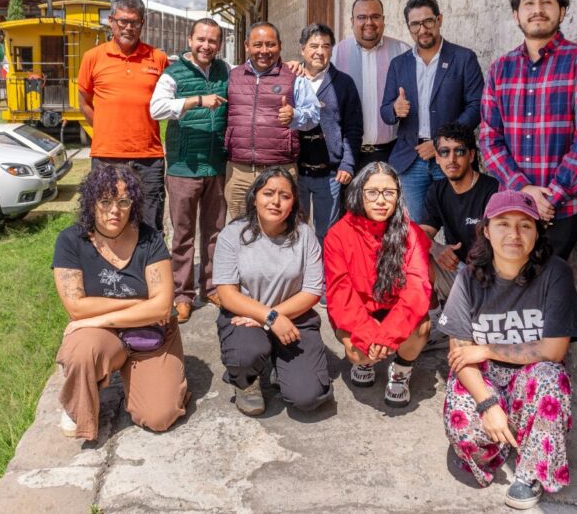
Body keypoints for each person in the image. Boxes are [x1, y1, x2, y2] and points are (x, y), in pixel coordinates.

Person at [438, 189, 577, 509]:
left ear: (537, 233)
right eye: (503, 224)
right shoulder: (468, 278)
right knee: (464, 430)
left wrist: (487, 349)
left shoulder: (555, 273)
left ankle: (531, 469)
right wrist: (488, 404)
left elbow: (553, 351)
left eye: (525, 225)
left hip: (531, 376)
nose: (514, 234)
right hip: (485, 376)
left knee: (551, 378)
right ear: (486, 231)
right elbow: (461, 355)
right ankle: (512, 436)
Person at [52, 164, 187, 441]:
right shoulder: (71, 240)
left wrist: (99, 317)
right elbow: (76, 307)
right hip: (103, 333)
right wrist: (141, 303)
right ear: (91, 202)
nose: (115, 210)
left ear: (133, 204)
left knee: (159, 416)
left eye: (124, 202)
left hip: (150, 332)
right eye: (105, 201)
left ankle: (150, 379)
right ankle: (79, 400)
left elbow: (163, 307)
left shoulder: (150, 239)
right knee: (82, 348)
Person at [479, 0, 577, 259]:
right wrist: (523, 189)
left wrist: (552, 196)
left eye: (546, 2)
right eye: (528, 3)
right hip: (514, 202)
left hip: (562, 207)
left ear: (561, 12)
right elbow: (489, 139)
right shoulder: (500, 68)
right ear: (516, 15)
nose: (537, 9)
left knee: (547, 276)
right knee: (511, 274)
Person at [213, 167, 333, 416]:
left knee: (308, 397)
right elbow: (227, 294)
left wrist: (274, 317)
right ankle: (246, 382)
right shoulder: (232, 234)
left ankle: (282, 365)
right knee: (246, 354)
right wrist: (269, 317)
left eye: (284, 196)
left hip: (294, 318)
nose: (275, 201)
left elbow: (312, 291)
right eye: (268, 193)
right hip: (245, 317)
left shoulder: (305, 235)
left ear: (293, 203)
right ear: (254, 197)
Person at [323, 162, 433, 407]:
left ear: (398, 196)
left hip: (395, 312)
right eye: (372, 192)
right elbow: (341, 294)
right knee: (358, 353)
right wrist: (369, 336)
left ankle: (401, 369)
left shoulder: (412, 233)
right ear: (358, 193)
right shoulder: (338, 235)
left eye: (389, 192)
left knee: (422, 327)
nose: (381, 200)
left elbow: (417, 290)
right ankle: (366, 363)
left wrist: (387, 336)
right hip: (360, 314)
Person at [149, 18, 230, 323]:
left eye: (212, 41)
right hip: (184, 167)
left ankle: (211, 286)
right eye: (201, 40)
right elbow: (156, 109)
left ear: (219, 44)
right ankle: (183, 294)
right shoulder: (174, 74)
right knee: (183, 234)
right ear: (190, 40)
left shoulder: (225, 70)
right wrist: (196, 101)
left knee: (215, 232)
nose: (206, 46)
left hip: (216, 164)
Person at [380, 0, 484, 224]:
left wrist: (440, 142)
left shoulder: (463, 58)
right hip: (411, 159)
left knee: (458, 223)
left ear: (439, 20)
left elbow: (477, 106)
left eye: (428, 21)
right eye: (415, 24)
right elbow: (385, 111)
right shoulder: (399, 64)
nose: (422, 29)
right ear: (409, 27)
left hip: (452, 157)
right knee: (417, 228)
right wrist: (395, 109)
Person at [78, 0, 169, 231]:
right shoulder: (93, 58)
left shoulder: (158, 59)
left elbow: (170, 101)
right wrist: (105, 129)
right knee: (106, 222)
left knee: (149, 224)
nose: (129, 27)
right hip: (106, 156)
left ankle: (147, 257)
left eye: (135, 22)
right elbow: (84, 102)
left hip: (149, 158)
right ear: (111, 21)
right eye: (123, 21)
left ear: (142, 23)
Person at [224, 21, 320, 220]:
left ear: (280, 46)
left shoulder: (294, 77)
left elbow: (314, 115)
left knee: (280, 229)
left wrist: (295, 115)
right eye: (257, 45)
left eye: (270, 44)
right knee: (240, 229)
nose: (264, 51)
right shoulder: (233, 76)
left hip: (280, 171)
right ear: (246, 46)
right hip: (239, 173)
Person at [295, 23, 363, 242]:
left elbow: (353, 128)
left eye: (326, 46)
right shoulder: (291, 79)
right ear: (302, 49)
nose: (320, 52)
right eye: (314, 46)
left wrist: (347, 163)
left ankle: (324, 267)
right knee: (294, 230)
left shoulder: (343, 83)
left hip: (330, 174)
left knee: (327, 234)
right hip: (295, 171)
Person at [419, 122, 500, 301]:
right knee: (411, 253)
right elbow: (421, 232)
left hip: (490, 277)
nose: (452, 159)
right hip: (456, 270)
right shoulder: (437, 190)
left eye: (460, 151)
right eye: (444, 152)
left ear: (471, 155)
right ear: (437, 157)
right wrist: (436, 248)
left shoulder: (493, 191)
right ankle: (436, 312)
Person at [331, 0, 411, 171]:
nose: (369, 22)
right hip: (347, 156)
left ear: (383, 20)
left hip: (391, 153)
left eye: (375, 16)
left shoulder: (402, 52)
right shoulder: (335, 55)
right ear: (352, 21)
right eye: (362, 17)